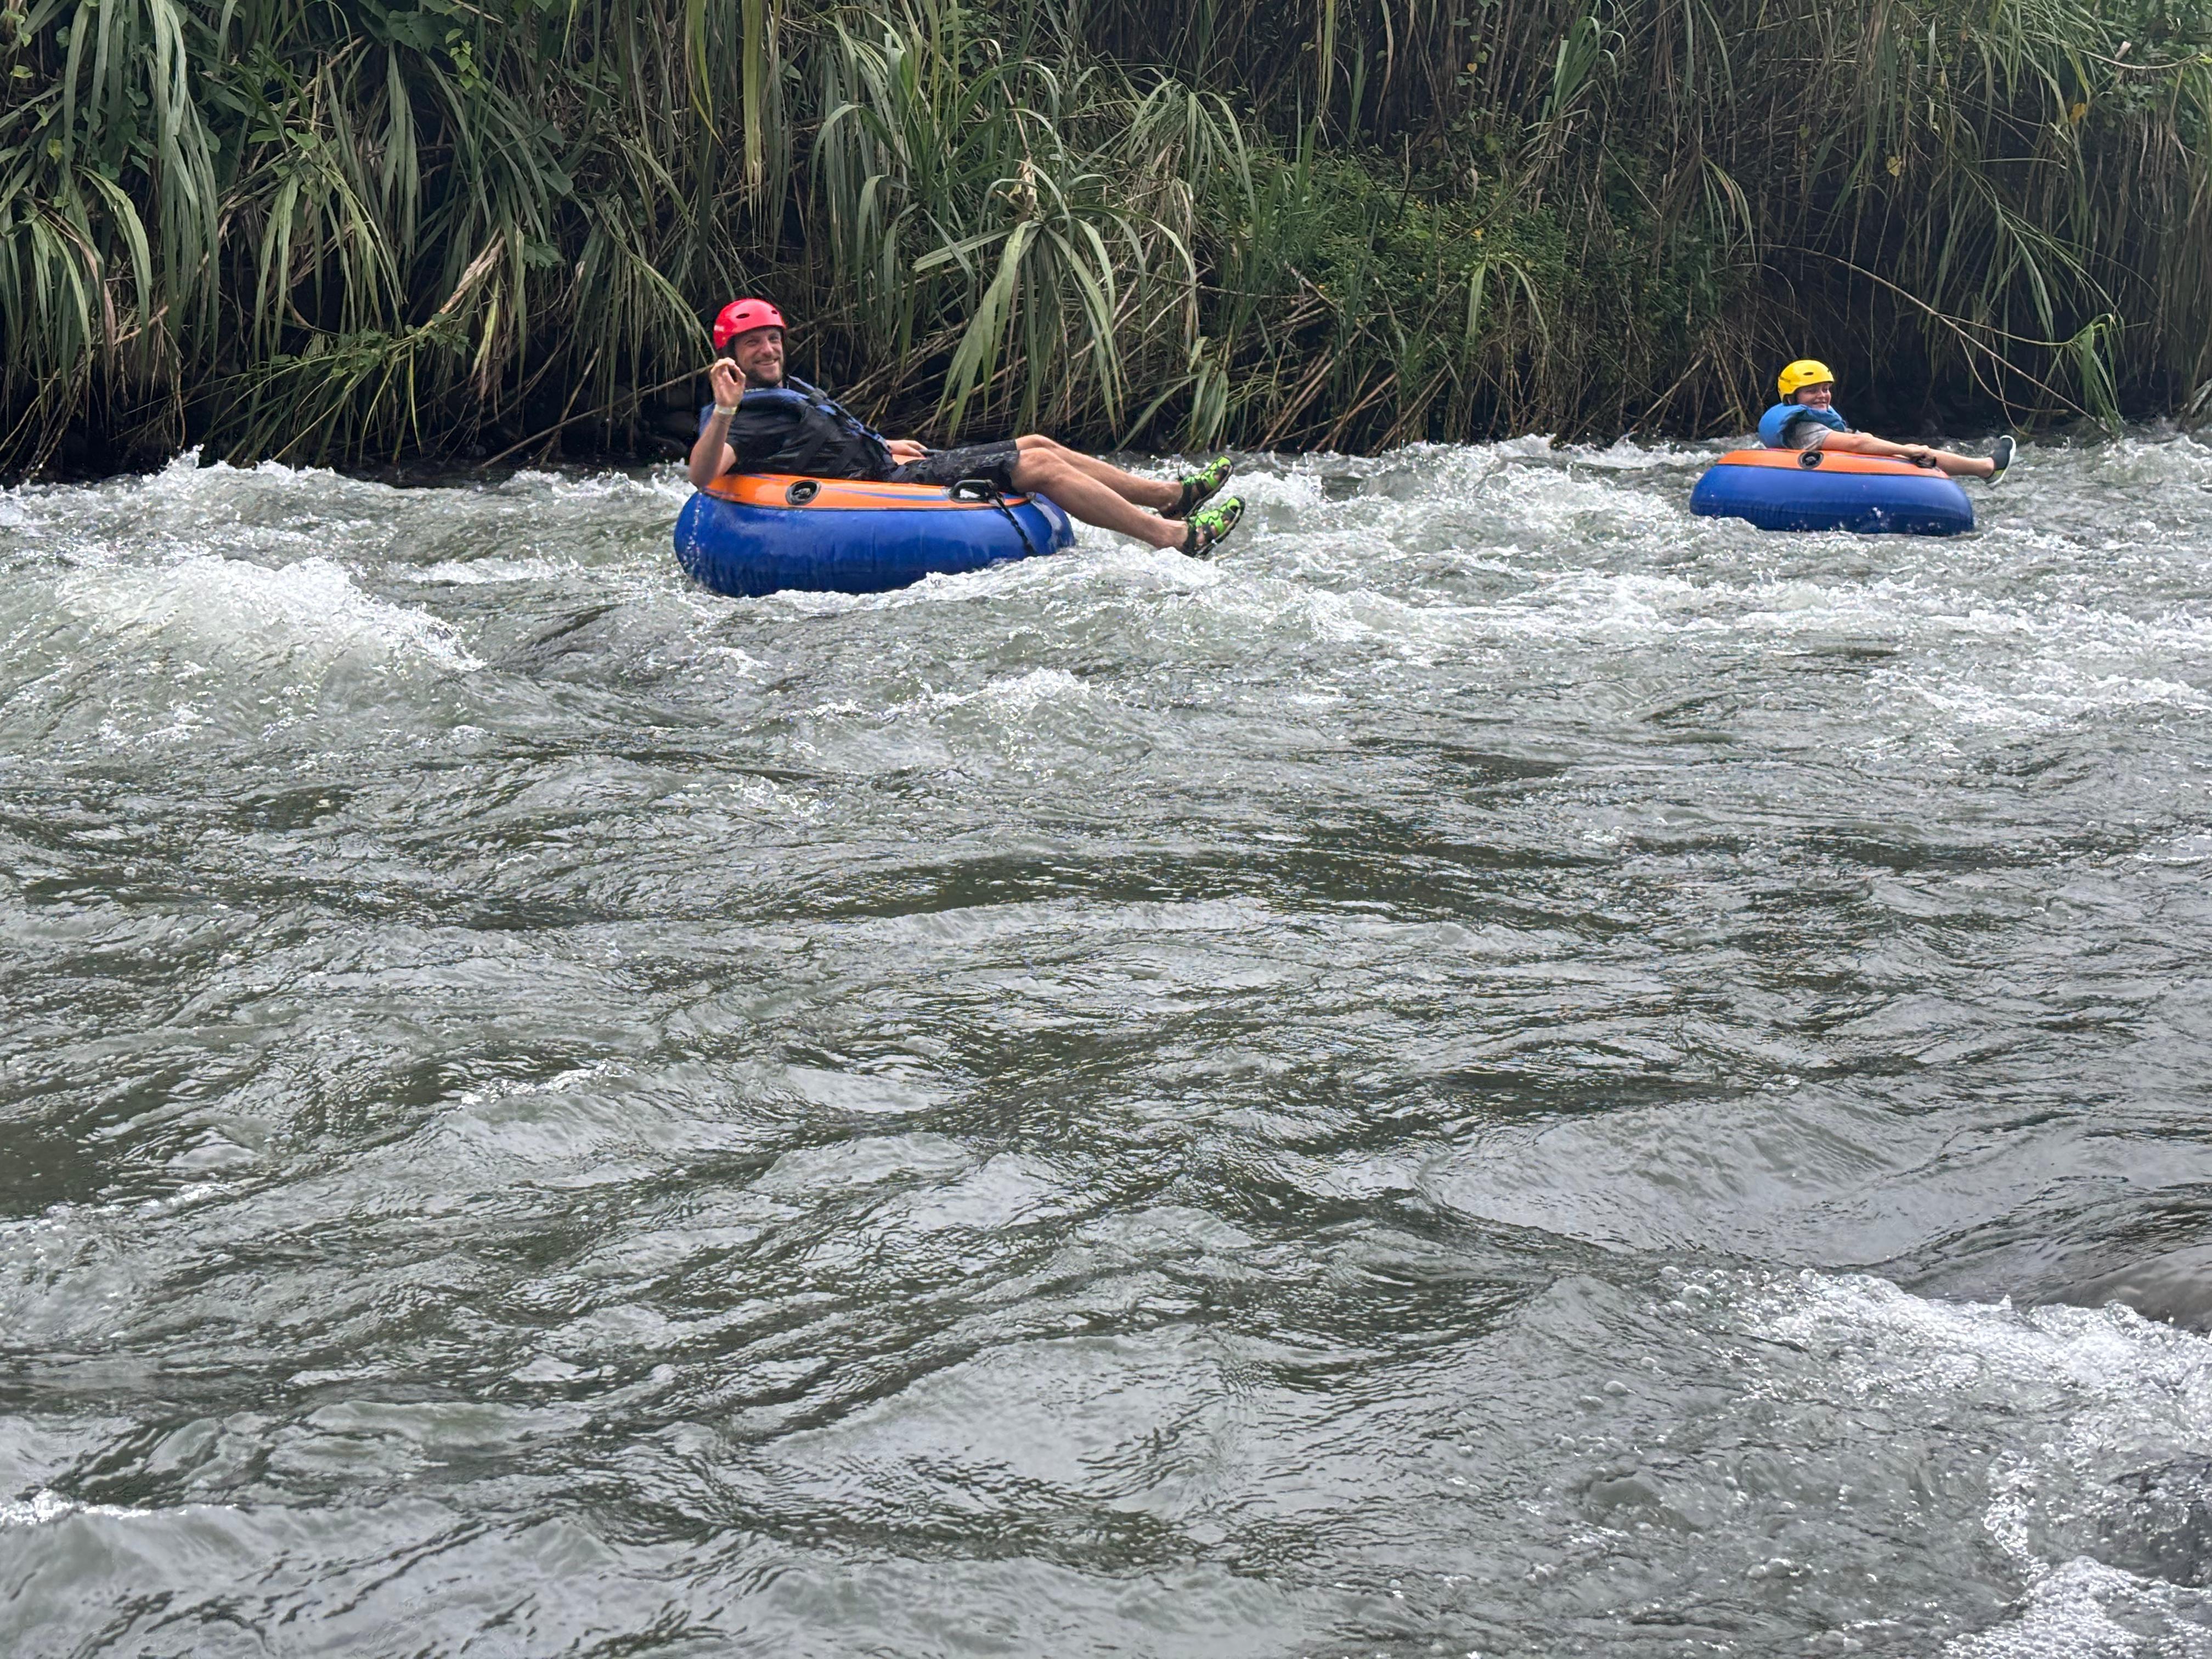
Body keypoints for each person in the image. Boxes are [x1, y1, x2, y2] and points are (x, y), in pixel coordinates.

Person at [686, 298, 1245, 557]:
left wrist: (883, 444)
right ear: (731, 352)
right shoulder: (745, 409)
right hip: (882, 491)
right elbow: (703, 474)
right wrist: (728, 408)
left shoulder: (790, 388)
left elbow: (825, 439)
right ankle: (1175, 537)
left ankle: (1171, 496)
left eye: (773, 338)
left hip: (886, 467)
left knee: (1037, 443)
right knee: (1041, 467)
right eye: (754, 342)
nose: (768, 348)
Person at [1760, 359, 2015, 482]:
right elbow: (1856, 446)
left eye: (1826, 389)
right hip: (1825, 475)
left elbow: (1856, 441)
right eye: (1812, 391)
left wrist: (1867, 439)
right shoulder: (1805, 428)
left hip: (1823, 470)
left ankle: (1986, 467)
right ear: (1792, 397)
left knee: (1877, 442)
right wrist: (1905, 449)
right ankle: (1987, 468)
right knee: (1915, 453)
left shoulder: (1801, 422)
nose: (1822, 396)